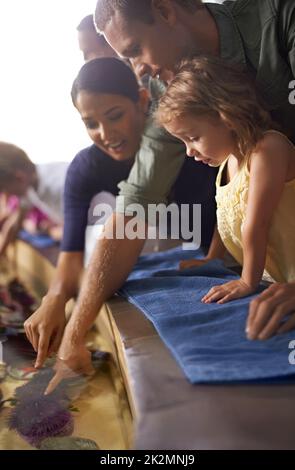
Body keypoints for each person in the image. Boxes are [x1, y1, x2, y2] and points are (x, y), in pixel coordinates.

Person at [30, 0, 295, 391]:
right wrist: (76, 330)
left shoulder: (280, 17)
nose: (138, 71)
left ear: (166, 10)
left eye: (135, 50)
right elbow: (133, 208)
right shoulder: (168, 89)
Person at [156, 56, 295, 319]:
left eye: (193, 137)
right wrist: (212, 258)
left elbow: (256, 223)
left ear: (226, 116)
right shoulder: (227, 163)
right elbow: (229, 217)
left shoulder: (267, 150)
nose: (189, 151)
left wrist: (247, 282)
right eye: (183, 141)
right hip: (279, 281)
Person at [0, 142, 68, 254]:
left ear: (19, 178)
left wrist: (51, 231)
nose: (6, 196)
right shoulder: (29, 187)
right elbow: (15, 223)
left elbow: (78, 233)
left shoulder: (61, 185)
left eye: (4, 190)